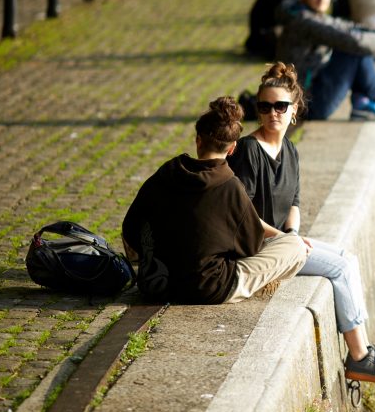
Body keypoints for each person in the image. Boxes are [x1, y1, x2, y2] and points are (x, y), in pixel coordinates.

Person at [228, 64, 375, 383]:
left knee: (348, 258)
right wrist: (285, 241)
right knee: (339, 269)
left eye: (280, 106)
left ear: (294, 110)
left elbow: (293, 202)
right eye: (265, 107)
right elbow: (240, 212)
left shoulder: (290, 150)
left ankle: (364, 348)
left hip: (281, 241)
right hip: (257, 244)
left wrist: (292, 235)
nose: (272, 113)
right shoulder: (248, 150)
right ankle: (359, 357)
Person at [122, 97, 306, 304]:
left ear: (198, 140)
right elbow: (251, 246)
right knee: (295, 247)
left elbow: (130, 228)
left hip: (154, 285)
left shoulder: (165, 174)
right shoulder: (230, 186)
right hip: (206, 288)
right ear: (232, 148)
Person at [278, 0, 375, 121]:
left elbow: (349, 27)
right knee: (354, 50)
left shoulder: (311, 15)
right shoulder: (305, 22)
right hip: (307, 104)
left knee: (357, 47)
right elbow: (350, 40)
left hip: (313, 94)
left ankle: (364, 104)